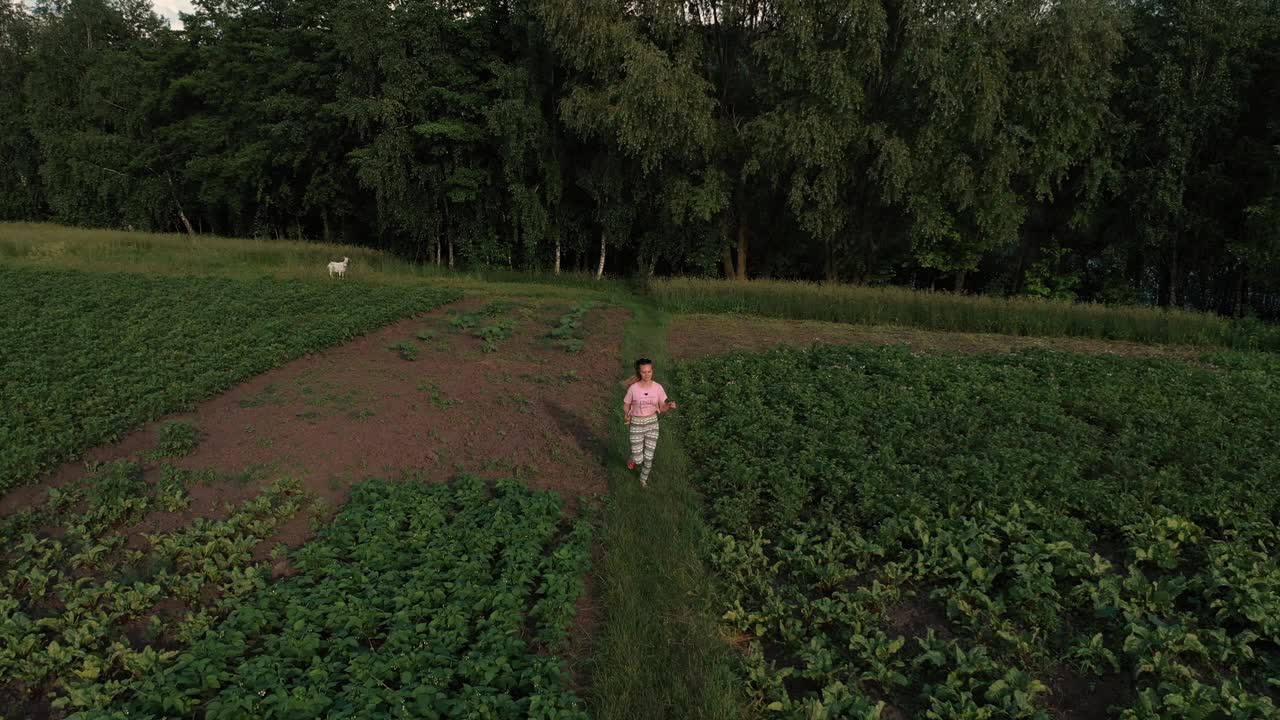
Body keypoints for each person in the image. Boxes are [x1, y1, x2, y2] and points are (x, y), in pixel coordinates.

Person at [622, 357, 676, 487]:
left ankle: (643, 480)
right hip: (637, 423)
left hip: (652, 423)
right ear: (639, 372)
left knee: (649, 457)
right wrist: (627, 415)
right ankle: (632, 459)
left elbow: (662, 408)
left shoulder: (658, 388)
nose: (647, 374)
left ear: (653, 371)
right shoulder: (633, 389)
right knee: (638, 458)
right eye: (643, 372)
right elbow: (626, 404)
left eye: (649, 371)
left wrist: (669, 406)